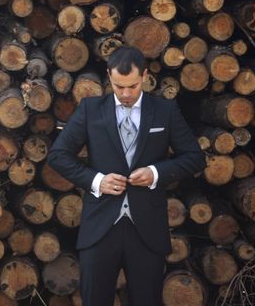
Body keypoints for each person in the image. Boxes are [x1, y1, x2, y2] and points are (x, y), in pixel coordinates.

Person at [47, 46, 205, 306]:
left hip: (147, 230)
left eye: (132, 85)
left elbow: (194, 157)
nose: (127, 94)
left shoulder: (165, 111)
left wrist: (155, 173)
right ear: (109, 76)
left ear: (144, 75)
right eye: (119, 87)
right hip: (99, 227)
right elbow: (58, 155)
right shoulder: (90, 109)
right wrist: (97, 181)